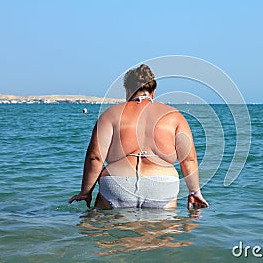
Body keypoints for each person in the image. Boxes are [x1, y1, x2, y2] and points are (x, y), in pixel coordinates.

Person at [69, 64, 208, 209]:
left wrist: (86, 191)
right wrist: (194, 191)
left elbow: (95, 157)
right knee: (163, 230)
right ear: (153, 91)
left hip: (117, 183)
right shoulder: (175, 117)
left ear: (127, 90)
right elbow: (188, 159)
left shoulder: (110, 114)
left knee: (104, 229)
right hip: (162, 185)